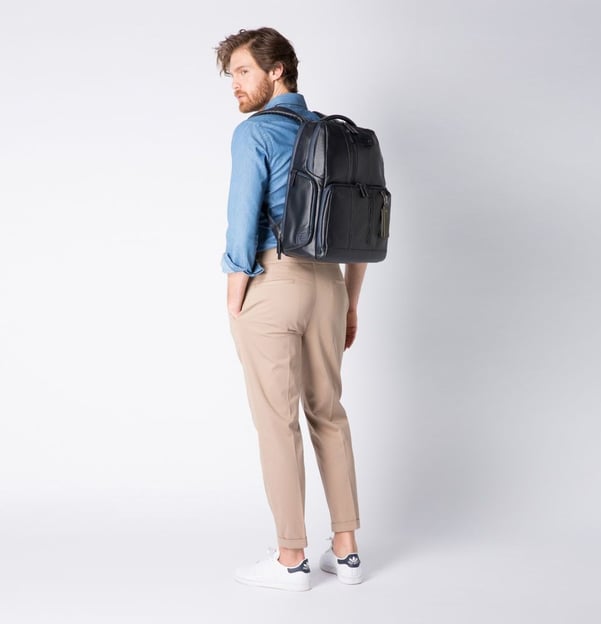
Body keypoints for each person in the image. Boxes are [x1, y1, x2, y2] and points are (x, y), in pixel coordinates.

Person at [215, 27, 367, 591]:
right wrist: (350, 302)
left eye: (243, 71)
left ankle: (291, 560)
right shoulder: (336, 134)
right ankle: (346, 553)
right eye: (232, 74)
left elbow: (242, 218)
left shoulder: (254, 132)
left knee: (277, 422)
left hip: (272, 281)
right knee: (329, 412)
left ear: (276, 70)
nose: (235, 84)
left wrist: (235, 295)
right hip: (331, 284)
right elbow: (360, 223)